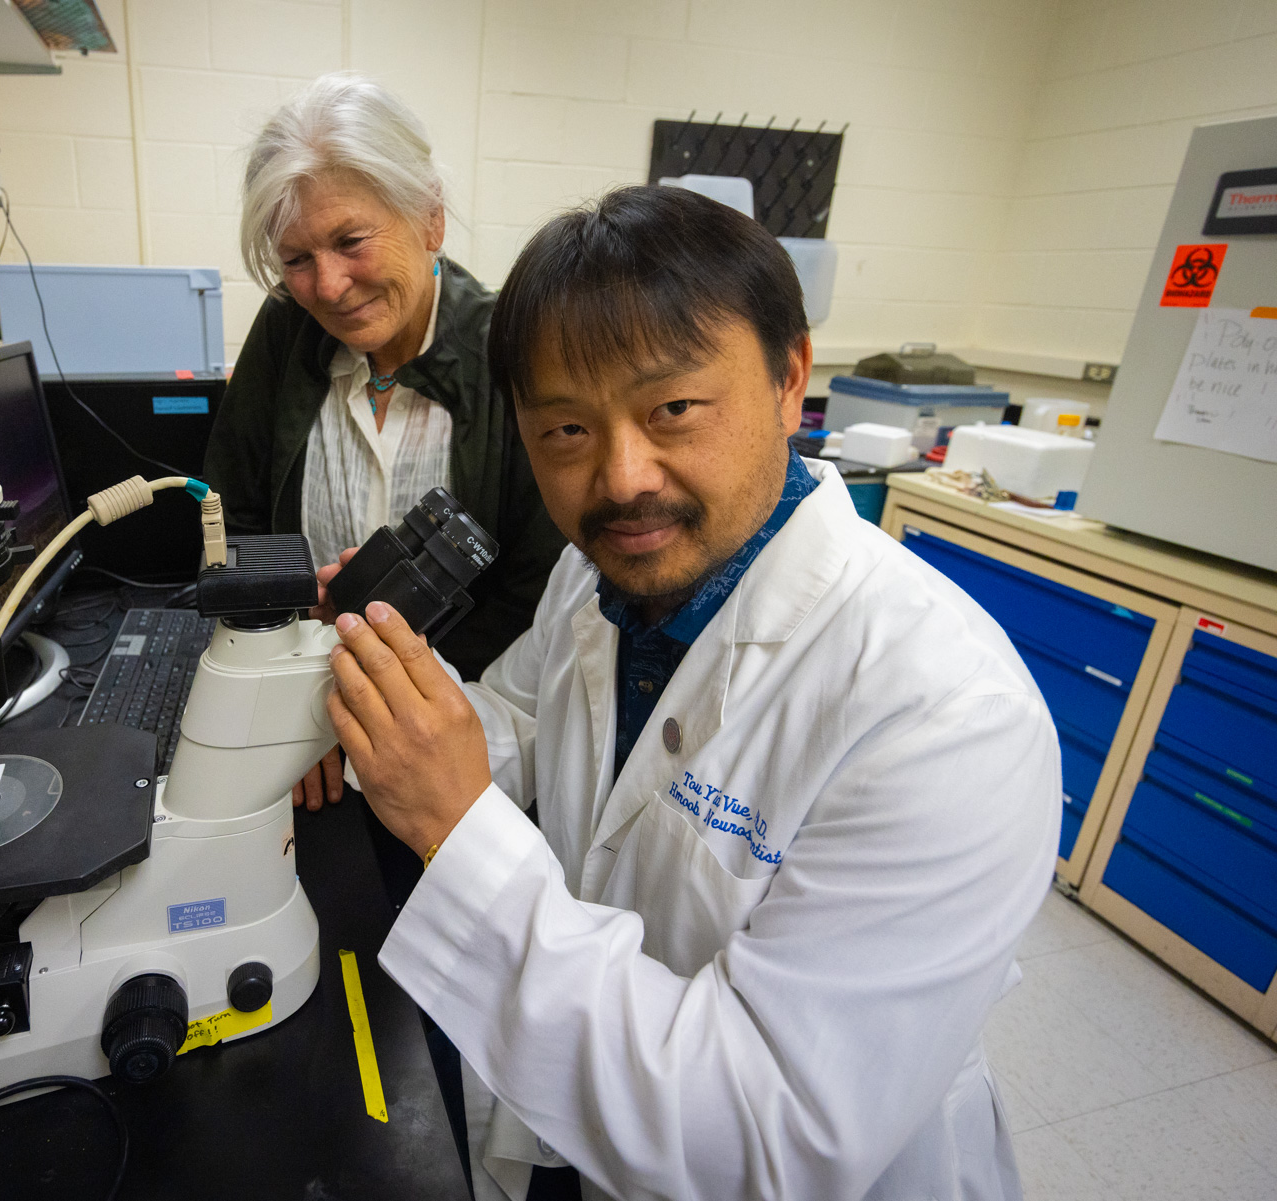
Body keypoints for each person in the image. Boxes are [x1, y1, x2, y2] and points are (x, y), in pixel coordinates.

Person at [317, 185, 1060, 1200]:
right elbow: (523, 720)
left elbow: (766, 1135)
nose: (623, 479)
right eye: (566, 431)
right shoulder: (599, 575)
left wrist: (456, 829)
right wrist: (387, 681)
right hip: (585, 1121)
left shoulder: (946, 713)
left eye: (673, 409)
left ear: (790, 377)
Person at [203, 73, 564, 812]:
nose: (328, 286)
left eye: (350, 241)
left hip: (464, 744)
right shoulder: (285, 334)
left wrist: (369, 711)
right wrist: (293, 706)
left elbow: (536, 594)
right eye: (297, 259)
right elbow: (233, 525)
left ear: (430, 219)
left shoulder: (510, 351)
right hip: (302, 731)